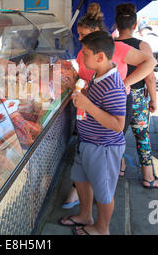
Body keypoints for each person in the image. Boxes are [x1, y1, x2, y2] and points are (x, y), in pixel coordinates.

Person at [60, 3, 156, 210]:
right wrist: (71, 77)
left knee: (106, 149)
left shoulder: (118, 48)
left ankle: (99, 195)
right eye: (78, 34)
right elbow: (85, 78)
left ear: (96, 33)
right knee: (86, 150)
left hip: (113, 103)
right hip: (89, 104)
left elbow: (150, 62)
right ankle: (85, 191)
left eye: (83, 34)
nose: (80, 39)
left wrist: (125, 84)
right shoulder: (84, 52)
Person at [66, 30, 127, 235]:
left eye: (85, 54)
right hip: (88, 142)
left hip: (104, 147)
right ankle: (85, 215)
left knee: (104, 191)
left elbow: (118, 124)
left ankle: (102, 228)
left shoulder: (114, 85)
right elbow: (96, 102)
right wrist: (84, 94)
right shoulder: (98, 75)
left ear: (100, 57)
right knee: (81, 179)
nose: (82, 57)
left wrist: (88, 105)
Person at [114, 3, 158, 189]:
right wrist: (153, 99)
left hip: (115, 96)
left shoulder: (110, 46)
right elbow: (150, 77)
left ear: (116, 24)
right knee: (142, 136)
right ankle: (148, 176)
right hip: (136, 97)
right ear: (135, 25)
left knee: (116, 134)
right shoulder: (142, 45)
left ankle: (119, 168)